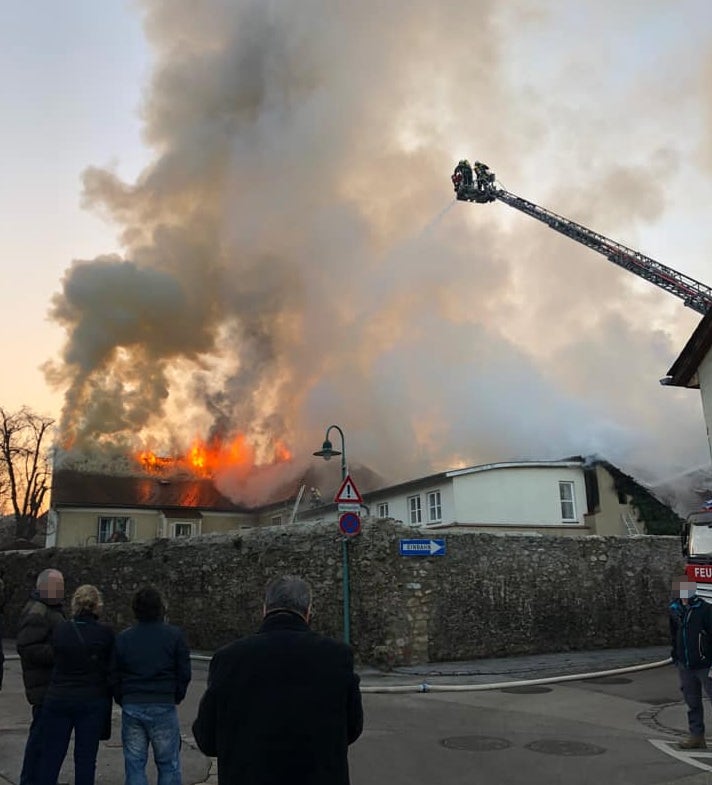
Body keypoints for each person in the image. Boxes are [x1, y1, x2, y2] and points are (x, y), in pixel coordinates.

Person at [192, 575, 363, 785]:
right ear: (308, 611)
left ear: (264, 609)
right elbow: (352, 728)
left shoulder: (229, 658)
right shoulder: (337, 656)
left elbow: (207, 739)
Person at [111, 586, 191, 785]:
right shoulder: (174, 636)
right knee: (168, 763)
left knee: (135, 763)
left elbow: (114, 674)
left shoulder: (124, 638)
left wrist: (122, 697)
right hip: (163, 702)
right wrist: (176, 695)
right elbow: (184, 672)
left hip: (133, 702)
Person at [38, 585, 115, 785]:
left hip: (59, 696)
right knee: (85, 758)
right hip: (91, 699)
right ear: (97, 605)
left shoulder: (61, 629)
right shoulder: (105, 633)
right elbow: (111, 666)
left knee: (51, 756)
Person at [17, 568, 66, 785]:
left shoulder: (51, 609)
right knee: (40, 740)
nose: (61, 591)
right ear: (43, 587)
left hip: (50, 685)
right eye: (57, 586)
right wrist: (60, 651)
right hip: (43, 686)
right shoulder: (38, 612)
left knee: (47, 740)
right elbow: (27, 647)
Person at [670, 575, 712, 749]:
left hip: (705, 663)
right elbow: (674, 634)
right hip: (685, 664)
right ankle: (696, 736)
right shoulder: (675, 609)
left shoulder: (705, 609)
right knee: (692, 702)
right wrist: (676, 656)